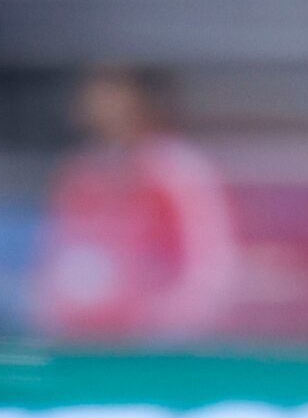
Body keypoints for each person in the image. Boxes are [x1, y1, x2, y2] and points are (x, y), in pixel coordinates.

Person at [27, 63, 238, 345]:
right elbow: (56, 255)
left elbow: (206, 268)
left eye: (111, 90)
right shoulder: (81, 172)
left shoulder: (176, 171)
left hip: (154, 343)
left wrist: (162, 325)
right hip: (84, 338)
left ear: (141, 98)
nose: (96, 99)